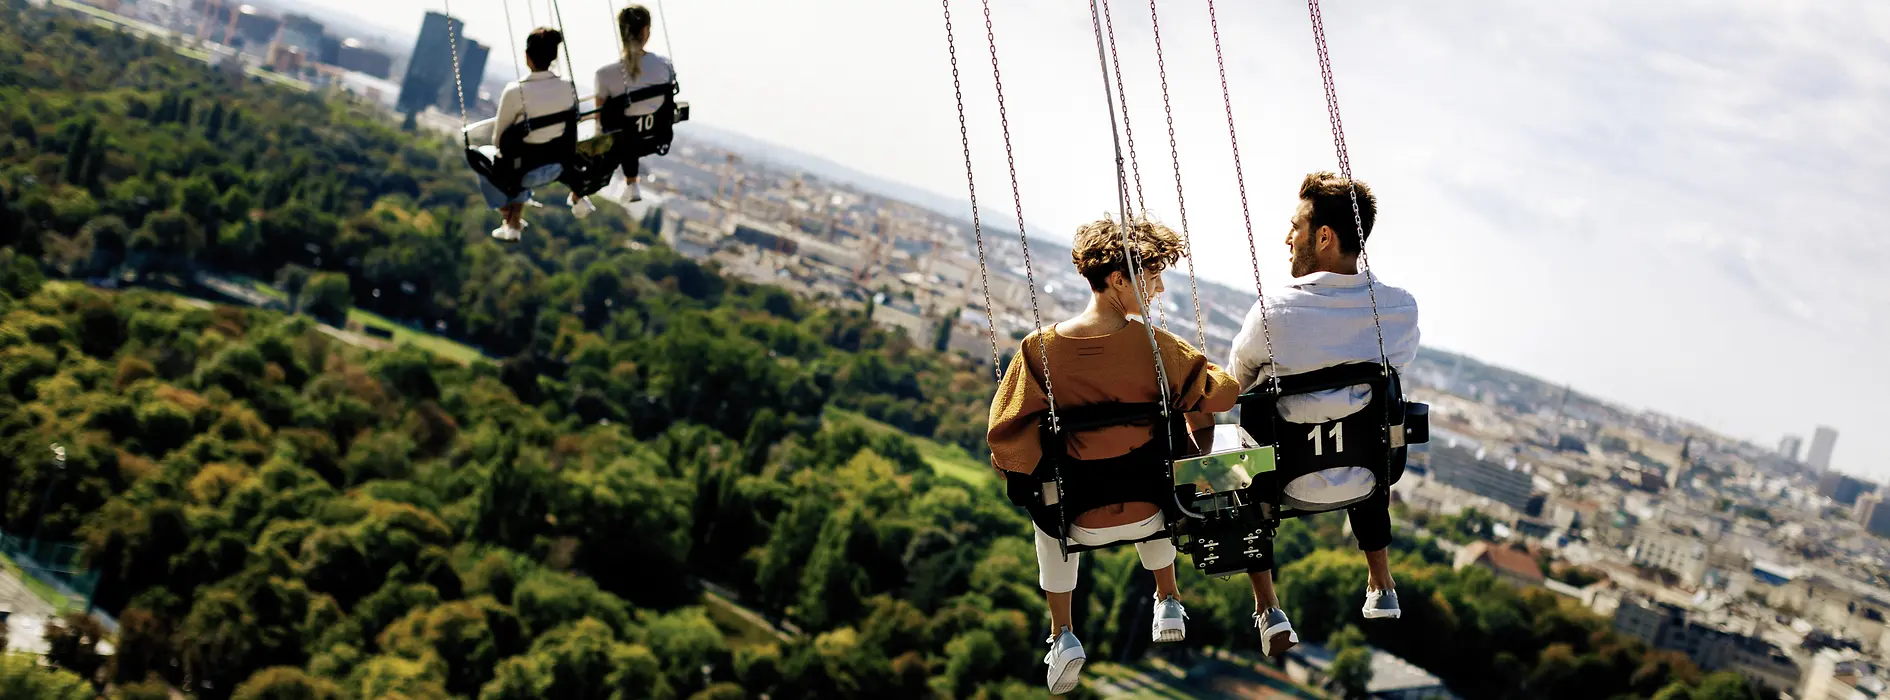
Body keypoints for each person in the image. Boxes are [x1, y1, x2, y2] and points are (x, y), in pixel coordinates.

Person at [987, 215, 1241, 695]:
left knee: (1045, 515)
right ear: (1119, 279)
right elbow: (1222, 394)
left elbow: (1007, 440)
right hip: (1151, 513)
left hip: (1076, 519)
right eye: (1153, 274)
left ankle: (1063, 634)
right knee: (1161, 463)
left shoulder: (1038, 351)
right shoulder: (1159, 347)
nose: (1161, 287)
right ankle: (1167, 595)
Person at [1226, 171, 1420, 657]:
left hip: (1281, 484)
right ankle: (1380, 581)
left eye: (1295, 226)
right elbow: (1398, 362)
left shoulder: (1274, 313)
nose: (1286, 237)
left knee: (1242, 434)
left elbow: (1235, 382)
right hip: (1365, 478)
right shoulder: (1399, 310)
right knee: (1371, 418)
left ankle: (1267, 607)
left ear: (1324, 237)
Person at [479, 28, 578, 241]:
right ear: (553, 56)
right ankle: (513, 222)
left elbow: (499, 142)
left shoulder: (516, 91)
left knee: (482, 155)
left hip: (522, 173)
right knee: (522, 157)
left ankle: (508, 214)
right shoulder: (568, 88)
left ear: (527, 56)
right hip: (556, 166)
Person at [586, 4, 675, 207]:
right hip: (654, 134)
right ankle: (632, 182)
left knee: (623, 133)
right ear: (646, 31)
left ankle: (580, 195)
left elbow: (600, 120)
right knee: (630, 135)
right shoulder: (664, 66)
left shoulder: (604, 74)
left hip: (621, 139)